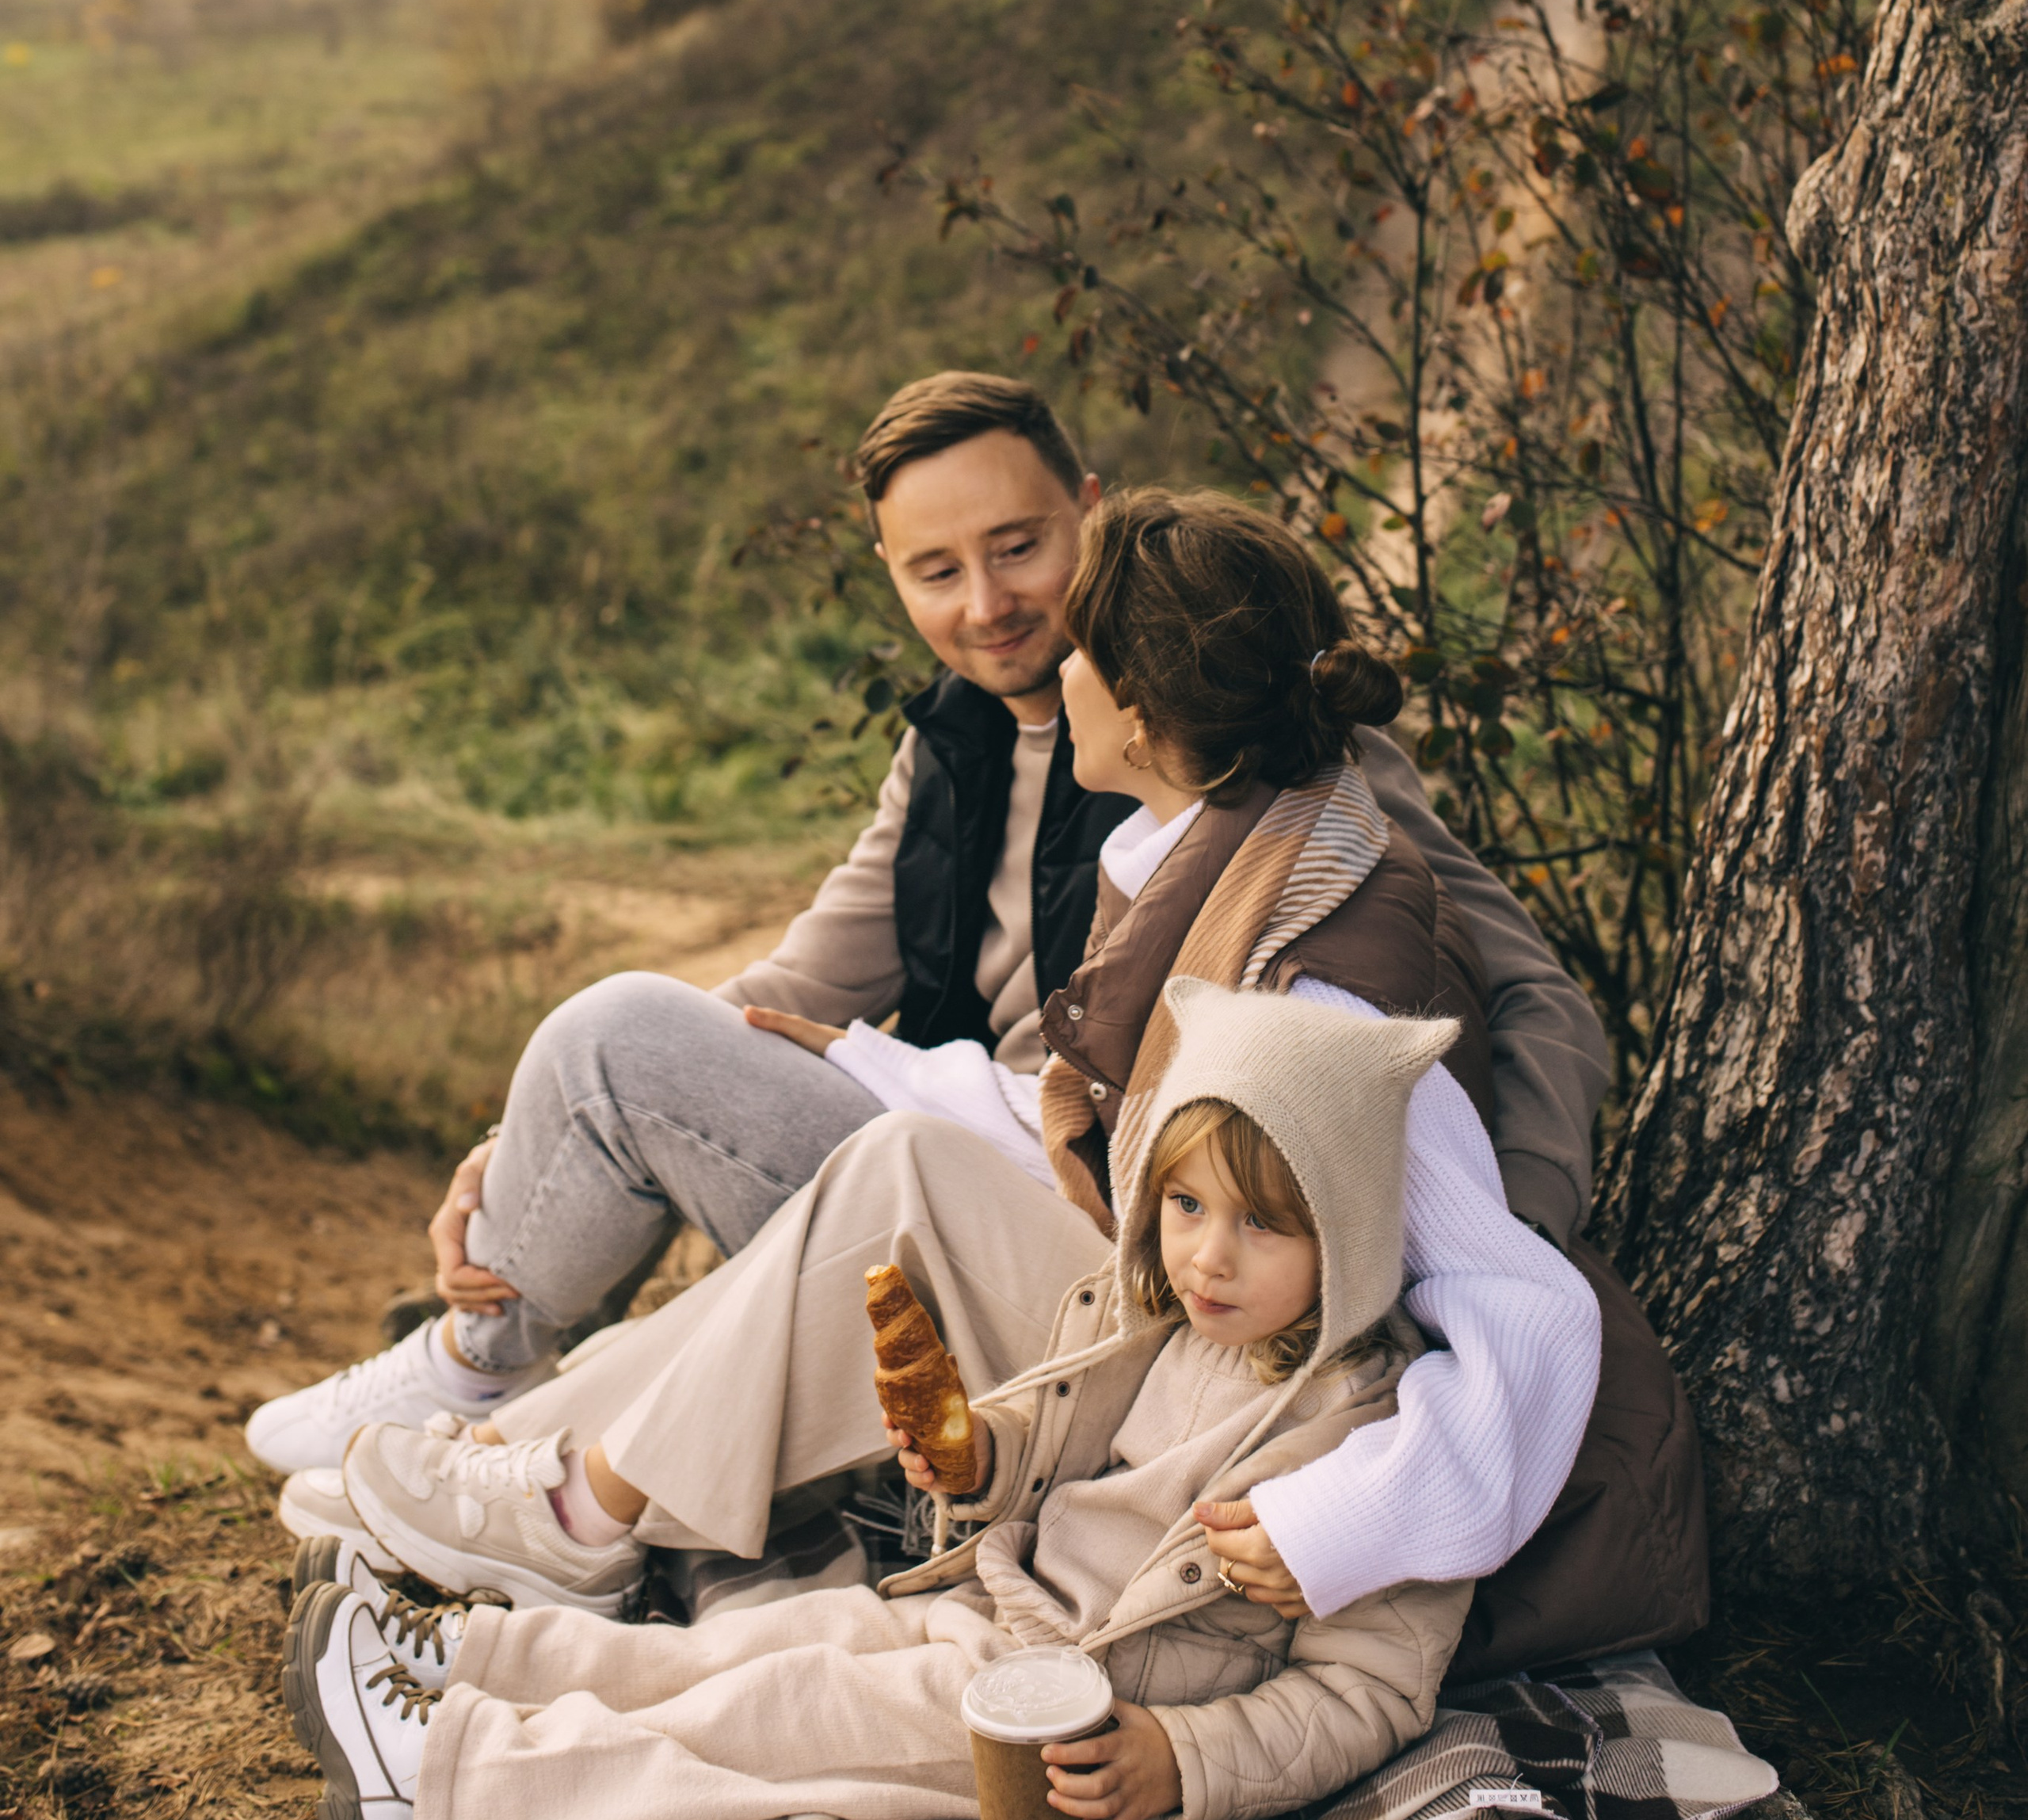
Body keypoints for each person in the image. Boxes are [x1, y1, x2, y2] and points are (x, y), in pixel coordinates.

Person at [326, 494, 1690, 1679]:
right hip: (1171, 1316)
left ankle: (569, 1520)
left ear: (1143, 718)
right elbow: (1115, 1123)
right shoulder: (1216, 845)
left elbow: (1521, 1302)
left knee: (901, 1179)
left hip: (1236, 1390)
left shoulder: (1314, 963)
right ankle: (519, 1474)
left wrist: (1344, 1523)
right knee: (901, 1156)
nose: (1052, 661)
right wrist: (862, 1057)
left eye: (1084, 648)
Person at [247, 375, 1611, 1481]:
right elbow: (799, 981)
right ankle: (487, 1361)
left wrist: (1499, 1249)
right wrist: (520, 1152)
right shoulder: (953, 746)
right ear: (889, 571)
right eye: (936, 570)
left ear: (1089, 509)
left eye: (1019, 549)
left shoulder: (1265, 744)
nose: (987, 606)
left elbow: (1530, 996)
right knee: (618, 1046)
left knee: (616, 1039)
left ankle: (481, 1382)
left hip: (1120, 1231)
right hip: (961, 1160)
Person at [288, 986, 1475, 1820]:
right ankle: (470, 1662)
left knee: (776, 1722)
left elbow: (1366, 1692)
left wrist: (1185, 1758)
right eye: (1187, 1207)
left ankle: (445, 1776)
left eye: (1262, 1225)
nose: (1209, 1254)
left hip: (1090, 1741)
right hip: (1003, 1618)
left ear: (1351, 1237)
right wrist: (980, 1460)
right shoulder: (1165, 1323)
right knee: (761, 1648)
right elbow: (1062, 1440)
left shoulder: (1384, 1447)